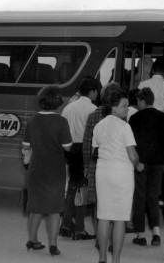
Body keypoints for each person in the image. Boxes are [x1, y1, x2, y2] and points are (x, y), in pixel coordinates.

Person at [92, 85, 145, 263]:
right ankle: (116, 260)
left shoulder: (99, 126)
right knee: (120, 218)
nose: (126, 109)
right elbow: (132, 154)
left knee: (104, 216)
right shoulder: (125, 127)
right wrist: (138, 165)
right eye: (124, 106)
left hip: (103, 172)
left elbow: (96, 149)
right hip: (122, 174)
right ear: (113, 107)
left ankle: (101, 258)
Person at [22, 86, 72, 257]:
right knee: (54, 209)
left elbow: (26, 146)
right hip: (55, 169)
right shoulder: (61, 121)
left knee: (35, 208)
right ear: (58, 102)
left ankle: (33, 240)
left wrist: (26, 162)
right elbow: (67, 146)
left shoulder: (32, 120)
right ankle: (53, 244)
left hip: (37, 169)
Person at [60, 77, 101, 240]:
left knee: (71, 186)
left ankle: (66, 224)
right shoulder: (93, 109)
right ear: (92, 91)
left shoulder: (68, 108)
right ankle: (79, 229)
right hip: (84, 150)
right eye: (96, 91)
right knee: (83, 188)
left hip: (69, 149)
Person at [129, 87, 164, 247]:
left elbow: (131, 142)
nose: (137, 104)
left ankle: (139, 233)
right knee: (153, 196)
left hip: (141, 163)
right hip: (158, 163)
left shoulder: (135, 118)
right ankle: (156, 232)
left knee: (139, 197)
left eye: (138, 101)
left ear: (143, 101)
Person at [82, 82, 119, 248]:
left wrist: (86, 165)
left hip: (96, 165)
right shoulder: (120, 117)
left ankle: (99, 238)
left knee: (98, 204)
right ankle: (111, 240)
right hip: (116, 166)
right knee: (113, 204)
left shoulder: (93, 115)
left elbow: (87, 143)